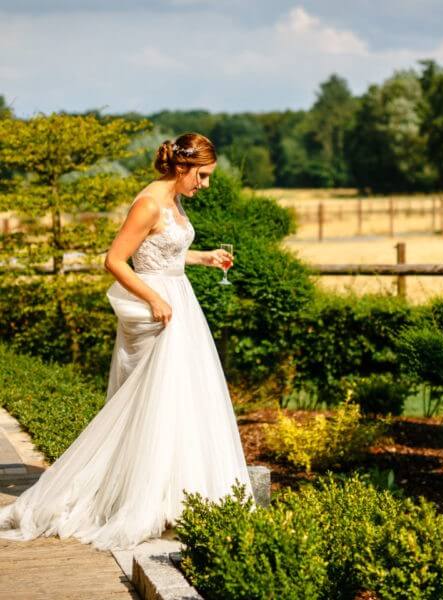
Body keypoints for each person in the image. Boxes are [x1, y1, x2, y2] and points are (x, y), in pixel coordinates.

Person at [0, 133, 255, 551]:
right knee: (149, 403)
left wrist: (203, 256)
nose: (204, 185)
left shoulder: (173, 202)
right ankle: (139, 498)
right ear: (182, 166)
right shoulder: (149, 203)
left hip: (178, 303)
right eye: (203, 176)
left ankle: (176, 497)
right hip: (156, 309)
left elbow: (161, 253)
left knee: (179, 401)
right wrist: (153, 298)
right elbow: (115, 259)